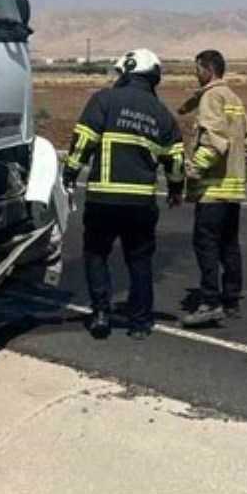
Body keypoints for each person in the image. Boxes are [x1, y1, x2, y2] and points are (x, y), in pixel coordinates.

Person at [63, 49, 185, 340]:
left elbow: (83, 142)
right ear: (154, 77)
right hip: (141, 202)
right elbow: (176, 161)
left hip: (103, 199)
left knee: (96, 254)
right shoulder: (161, 114)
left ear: (125, 73)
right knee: (140, 260)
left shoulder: (104, 100)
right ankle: (140, 323)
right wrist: (176, 190)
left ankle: (101, 313)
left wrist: (68, 175)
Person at [179, 49, 247, 328]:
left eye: (197, 69)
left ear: (208, 70)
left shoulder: (212, 97)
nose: (194, 74)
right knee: (229, 246)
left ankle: (210, 303)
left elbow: (214, 141)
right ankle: (231, 299)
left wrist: (193, 170)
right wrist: (241, 175)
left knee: (206, 245)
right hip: (233, 190)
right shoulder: (235, 99)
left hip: (212, 190)